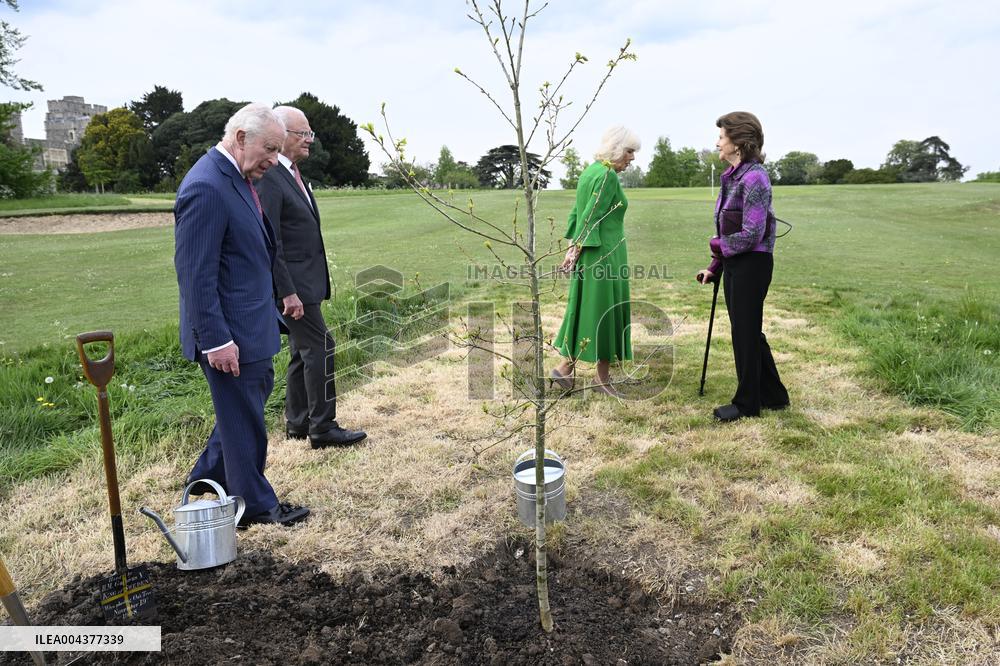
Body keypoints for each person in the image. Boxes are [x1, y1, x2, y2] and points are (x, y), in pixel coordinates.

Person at [174, 103, 310, 528]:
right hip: (229, 334)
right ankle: (253, 505)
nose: (274, 157)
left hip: (251, 325)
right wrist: (215, 339)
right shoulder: (207, 186)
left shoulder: (235, 177)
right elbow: (196, 275)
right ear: (239, 138)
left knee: (241, 414)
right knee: (244, 420)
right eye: (269, 147)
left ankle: (204, 482)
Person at [255, 106, 366, 448]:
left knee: (301, 350)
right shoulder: (272, 178)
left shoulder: (294, 175)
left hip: (306, 282)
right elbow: (271, 239)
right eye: (303, 134)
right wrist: (287, 291)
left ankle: (298, 421)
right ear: (282, 135)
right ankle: (322, 426)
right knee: (321, 346)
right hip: (294, 287)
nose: (309, 141)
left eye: (310, 135)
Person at [696, 111, 789, 422]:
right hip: (737, 262)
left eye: (722, 137)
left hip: (754, 262)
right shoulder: (732, 176)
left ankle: (748, 403)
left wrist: (717, 246)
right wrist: (715, 265)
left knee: (745, 334)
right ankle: (775, 396)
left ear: (738, 142)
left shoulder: (755, 177)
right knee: (747, 331)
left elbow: (751, 233)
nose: (718, 143)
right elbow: (729, 229)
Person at [552, 126, 640, 397]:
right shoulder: (607, 176)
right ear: (615, 149)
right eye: (629, 151)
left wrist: (572, 248)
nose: (632, 158)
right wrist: (575, 249)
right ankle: (602, 381)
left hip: (590, 253)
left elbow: (577, 213)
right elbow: (590, 216)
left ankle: (565, 369)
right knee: (605, 310)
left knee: (585, 309)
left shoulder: (590, 171)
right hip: (604, 254)